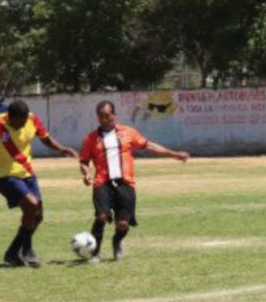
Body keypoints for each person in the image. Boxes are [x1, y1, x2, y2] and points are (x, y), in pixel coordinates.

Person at [0, 100, 78, 267]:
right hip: (6, 177)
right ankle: (28, 251)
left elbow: (45, 138)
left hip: (28, 174)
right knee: (32, 206)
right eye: (18, 122)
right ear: (10, 118)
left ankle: (12, 253)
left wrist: (61, 149)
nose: (21, 125)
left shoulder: (32, 119)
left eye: (24, 122)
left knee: (37, 216)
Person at [79, 101, 190, 263]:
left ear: (114, 115)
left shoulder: (127, 132)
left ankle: (117, 241)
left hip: (125, 184)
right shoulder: (91, 138)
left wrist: (174, 154)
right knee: (101, 216)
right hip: (102, 182)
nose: (105, 120)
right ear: (98, 118)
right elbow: (83, 161)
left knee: (123, 224)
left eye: (108, 116)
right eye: (101, 117)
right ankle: (95, 253)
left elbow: (149, 145)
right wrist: (86, 173)